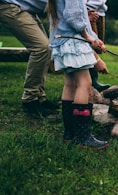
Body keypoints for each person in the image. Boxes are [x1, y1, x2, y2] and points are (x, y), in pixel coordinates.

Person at [47, 0, 109, 149]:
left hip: (62, 41)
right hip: (74, 42)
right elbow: (74, 16)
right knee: (85, 84)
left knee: (70, 84)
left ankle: (70, 134)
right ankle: (82, 137)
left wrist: (95, 38)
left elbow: (77, 16)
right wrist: (89, 38)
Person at [0, 0, 60, 116]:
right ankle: (30, 99)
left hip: (25, 8)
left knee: (47, 48)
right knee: (41, 48)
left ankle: (39, 96)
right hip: (10, 5)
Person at [87, 0, 110, 92]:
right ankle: (92, 80)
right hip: (90, 10)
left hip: (99, 11)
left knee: (97, 45)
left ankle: (94, 79)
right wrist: (89, 9)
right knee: (91, 45)